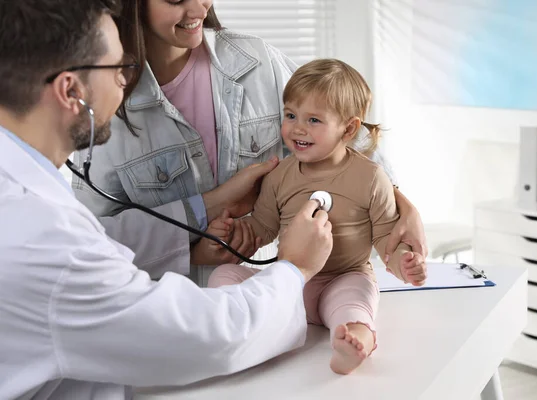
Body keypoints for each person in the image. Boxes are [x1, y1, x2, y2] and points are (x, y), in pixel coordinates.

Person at [0, 1, 333, 399]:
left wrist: (207, 205)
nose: (129, 79)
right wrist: (295, 268)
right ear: (71, 91)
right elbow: (207, 337)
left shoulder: (21, 197)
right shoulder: (48, 244)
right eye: (118, 67)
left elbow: (104, 239)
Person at [72, 0, 428, 286]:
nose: (199, 10)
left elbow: (351, 140)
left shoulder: (257, 64)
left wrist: (400, 202)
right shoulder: (106, 103)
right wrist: (191, 250)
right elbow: (93, 240)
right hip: (168, 311)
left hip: (271, 296)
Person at [207, 59, 427, 375]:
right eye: (291, 115)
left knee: (355, 302)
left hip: (342, 278)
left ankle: (353, 342)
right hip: (290, 281)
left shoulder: (370, 177)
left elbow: (386, 239)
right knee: (224, 276)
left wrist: (405, 263)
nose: (298, 128)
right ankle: (232, 334)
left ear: (349, 128)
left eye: (313, 120)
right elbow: (264, 227)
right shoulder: (280, 175)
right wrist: (236, 232)